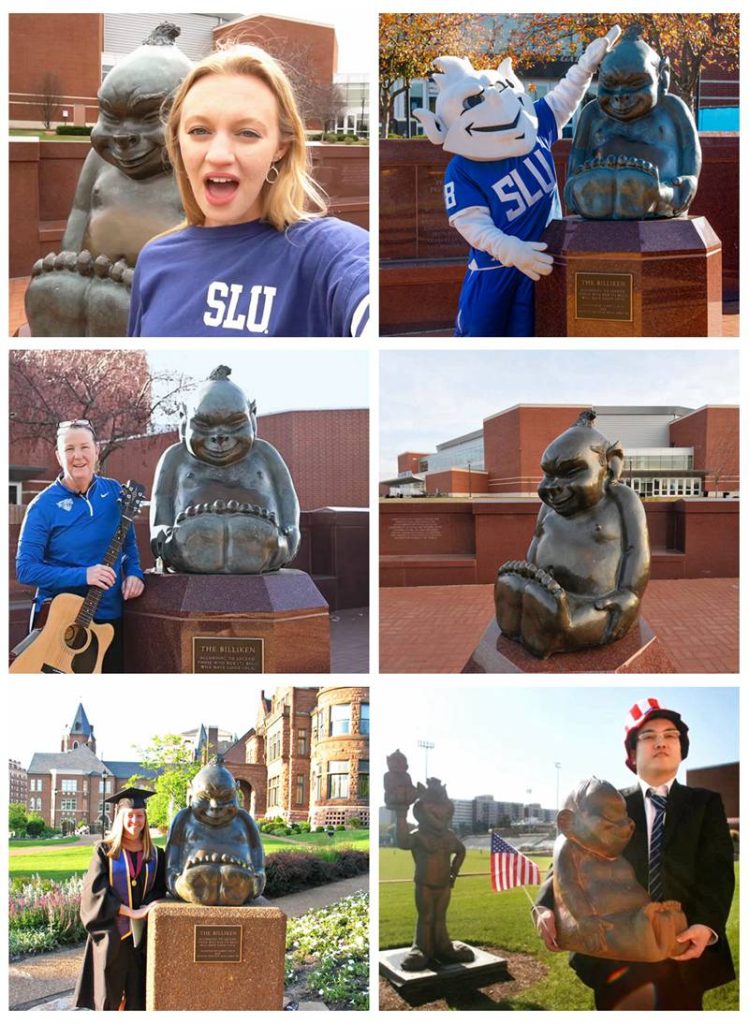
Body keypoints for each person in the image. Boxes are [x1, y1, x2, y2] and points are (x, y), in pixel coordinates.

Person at [128, 44, 369, 338]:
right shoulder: (154, 260)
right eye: (199, 131)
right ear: (178, 142)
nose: (218, 155)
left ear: (280, 147)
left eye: (247, 133)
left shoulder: (324, 253)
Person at [534, 697, 735, 1010]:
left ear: (682, 749)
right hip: (616, 960)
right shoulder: (608, 803)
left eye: (671, 735)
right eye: (649, 736)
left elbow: (717, 871)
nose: (661, 742)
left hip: (682, 951)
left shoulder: (705, 804)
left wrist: (706, 925)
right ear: (631, 752)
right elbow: (570, 850)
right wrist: (545, 905)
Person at [15, 420, 144, 672]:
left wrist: (135, 573)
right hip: (58, 622)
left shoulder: (114, 492)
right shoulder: (42, 507)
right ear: (58, 455)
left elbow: (127, 544)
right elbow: (25, 569)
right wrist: (85, 575)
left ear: (96, 450)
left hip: (108, 621)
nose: (78, 456)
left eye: (84, 447)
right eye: (69, 449)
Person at [74, 788, 165, 1011]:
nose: (135, 820)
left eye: (140, 815)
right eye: (130, 815)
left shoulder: (156, 854)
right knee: (110, 999)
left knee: (139, 997)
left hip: (142, 940)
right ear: (120, 817)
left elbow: (160, 889)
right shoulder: (104, 852)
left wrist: (147, 909)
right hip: (112, 935)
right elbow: (96, 893)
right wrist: (131, 912)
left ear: (145, 817)